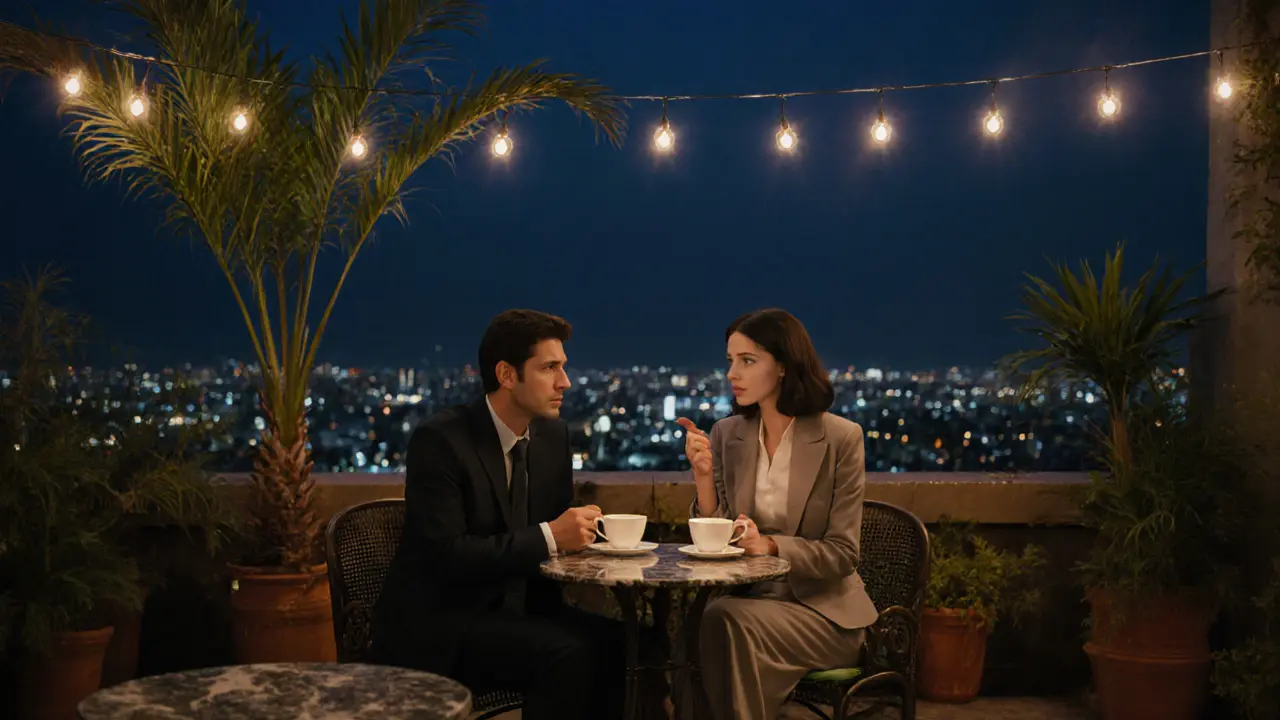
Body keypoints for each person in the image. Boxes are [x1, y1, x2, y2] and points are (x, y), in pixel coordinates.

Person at [372, 309, 624, 720]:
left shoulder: (552, 436)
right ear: (506, 374)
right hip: (445, 621)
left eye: (563, 366)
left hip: (523, 611)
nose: (565, 381)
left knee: (623, 643)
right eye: (549, 368)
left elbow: (555, 539)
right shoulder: (441, 440)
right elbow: (447, 556)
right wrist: (551, 535)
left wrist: (587, 536)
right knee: (568, 654)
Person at [676, 308, 878, 720]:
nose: (733, 373)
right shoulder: (727, 434)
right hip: (748, 602)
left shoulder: (841, 438)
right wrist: (703, 477)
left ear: (783, 365)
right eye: (730, 360)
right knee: (700, 626)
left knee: (722, 621)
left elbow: (842, 554)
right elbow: (720, 535)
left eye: (747, 361)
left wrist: (770, 545)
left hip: (822, 615)